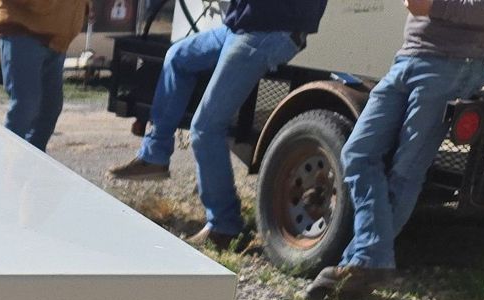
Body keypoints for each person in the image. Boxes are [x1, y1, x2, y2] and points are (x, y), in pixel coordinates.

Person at [307, 0, 484, 300]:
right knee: (358, 153)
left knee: (406, 171)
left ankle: (360, 264)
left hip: (454, 63)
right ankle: (367, 261)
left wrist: (433, 6)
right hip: (408, 57)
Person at [109, 1, 330, 252]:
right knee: (177, 57)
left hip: (269, 32)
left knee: (206, 128)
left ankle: (225, 225)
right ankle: (154, 155)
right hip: (243, 26)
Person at [0, 0, 91, 152]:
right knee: (26, 105)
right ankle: (9, 162)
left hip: (56, 33)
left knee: (50, 107)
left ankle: (32, 162)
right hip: (23, 29)